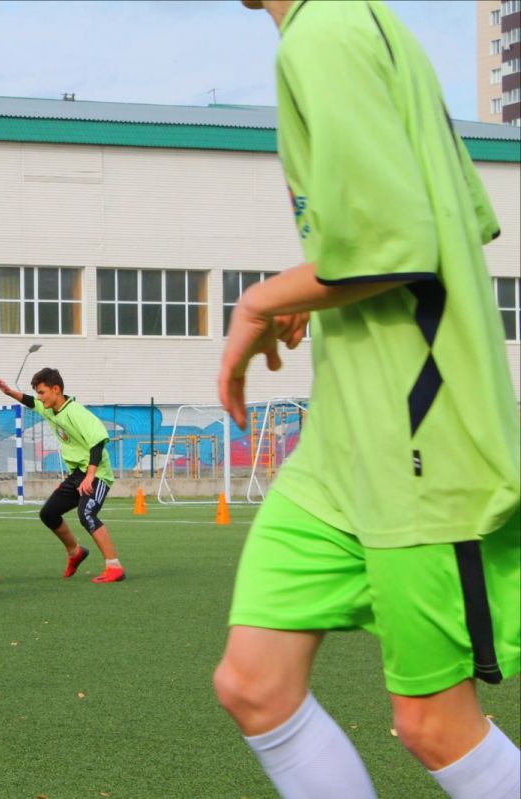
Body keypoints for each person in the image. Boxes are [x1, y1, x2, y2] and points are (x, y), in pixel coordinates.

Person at [213, 3, 521, 798]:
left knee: (435, 724)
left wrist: (259, 300)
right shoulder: (353, 25)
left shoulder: (327, 32)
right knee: (255, 683)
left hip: (421, 446)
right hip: (340, 452)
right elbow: (447, 220)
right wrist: (310, 293)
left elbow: (396, 243)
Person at [0, 369, 126, 584]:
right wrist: (8, 392)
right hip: (77, 474)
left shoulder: (75, 412)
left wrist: (90, 476)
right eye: (38, 392)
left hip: (97, 473)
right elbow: (30, 402)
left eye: (42, 392)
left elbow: (98, 441)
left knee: (87, 514)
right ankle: (75, 552)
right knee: (49, 514)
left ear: (56, 390)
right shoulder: (50, 409)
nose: (39, 397)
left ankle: (114, 566)